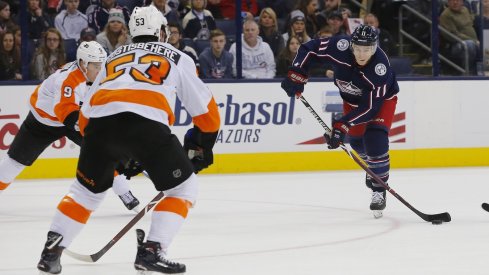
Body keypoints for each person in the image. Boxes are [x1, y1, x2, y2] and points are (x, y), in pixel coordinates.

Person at [36, 5, 220, 275]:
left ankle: (51, 251)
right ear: (160, 31)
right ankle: (152, 250)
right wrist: (201, 145)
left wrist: (113, 152)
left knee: (84, 193)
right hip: (146, 125)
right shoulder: (179, 57)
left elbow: (86, 112)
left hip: (98, 126)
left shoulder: (112, 58)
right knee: (183, 190)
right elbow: (206, 112)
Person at [0, 41, 140, 212]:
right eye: (96, 66)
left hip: (74, 116)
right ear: (83, 64)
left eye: (102, 64)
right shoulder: (68, 80)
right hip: (42, 121)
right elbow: (65, 113)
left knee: (102, 155)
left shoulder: (99, 75)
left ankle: (125, 193)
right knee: (15, 162)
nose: (101, 69)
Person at [280, 25, 399, 219]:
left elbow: (370, 108)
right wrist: (297, 72)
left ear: (374, 48)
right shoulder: (339, 46)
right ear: (351, 45)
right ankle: (372, 166)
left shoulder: (380, 68)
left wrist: (342, 124)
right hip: (351, 101)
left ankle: (379, 188)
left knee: (375, 139)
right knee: (358, 142)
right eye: (358, 48)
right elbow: (308, 49)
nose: (362, 54)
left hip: (380, 102)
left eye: (367, 49)